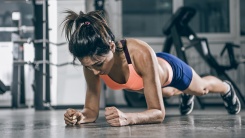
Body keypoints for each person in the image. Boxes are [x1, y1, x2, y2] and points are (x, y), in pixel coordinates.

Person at [62, 10, 241, 127]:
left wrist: (128, 118)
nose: (94, 72)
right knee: (168, 93)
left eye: (98, 64)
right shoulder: (92, 63)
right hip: (154, 83)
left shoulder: (139, 52)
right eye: (87, 66)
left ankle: (226, 87)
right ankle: (185, 93)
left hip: (170, 70)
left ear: (110, 47)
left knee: (201, 88)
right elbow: (91, 111)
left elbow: (158, 112)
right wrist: (80, 116)